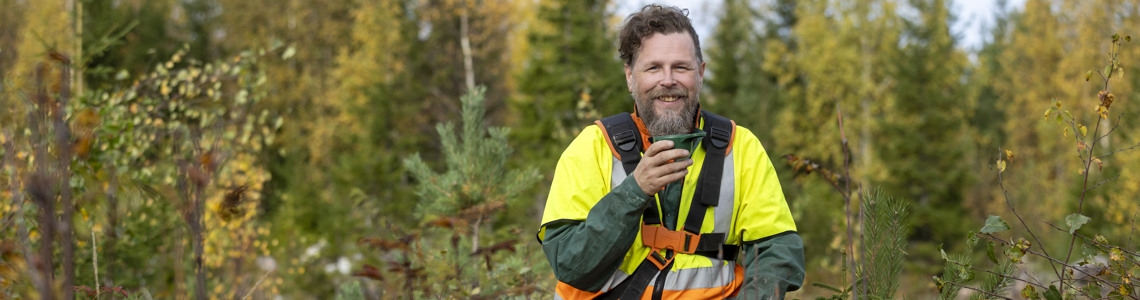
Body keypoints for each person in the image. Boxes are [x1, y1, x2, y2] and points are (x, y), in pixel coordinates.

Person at [536, 4, 805, 300]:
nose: (668, 80)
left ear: (700, 73)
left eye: (681, 67)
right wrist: (634, 191)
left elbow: (777, 250)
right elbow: (571, 266)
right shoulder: (593, 147)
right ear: (629, 76)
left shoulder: (740, 147)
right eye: (653, 67)